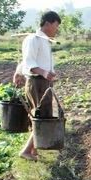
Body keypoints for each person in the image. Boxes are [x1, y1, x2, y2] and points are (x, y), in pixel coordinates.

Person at [15, 10, 61, 161]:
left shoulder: (44, 40)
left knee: (42, 115)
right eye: (56, 25)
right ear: (47, 23)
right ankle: (26, 151)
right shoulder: (33, 39)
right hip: (37, 83)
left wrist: (49, 74)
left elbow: (28, 61)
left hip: (44, 82)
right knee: (40, 117)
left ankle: (33, 150)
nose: (56, 29)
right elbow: (29, 61)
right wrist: (44, 73)